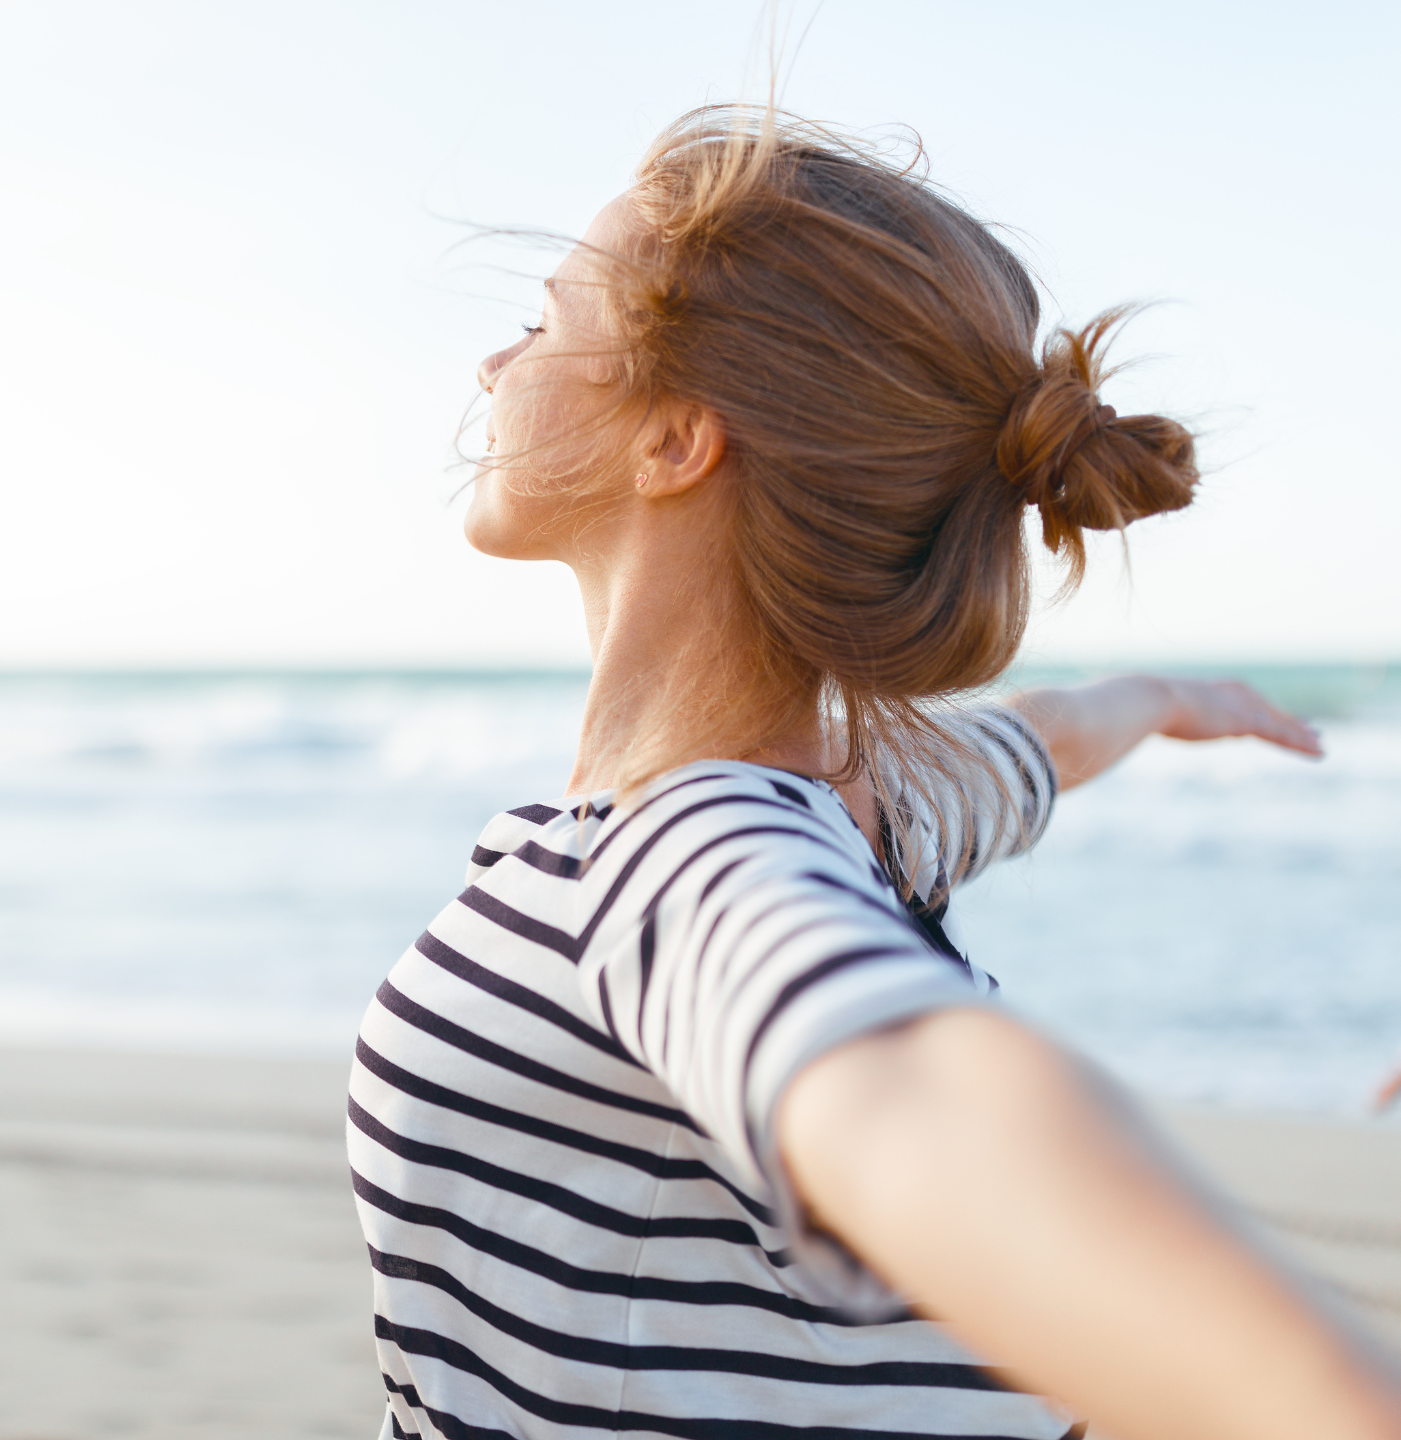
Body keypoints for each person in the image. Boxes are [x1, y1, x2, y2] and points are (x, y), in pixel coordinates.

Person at [350, 105, 1390, 1440]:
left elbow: (912, 1098)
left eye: (547, 324)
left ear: (676, 439)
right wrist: (1167, 699)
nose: (498, 361)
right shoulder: (864, 805)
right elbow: (1040, 742)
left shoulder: (691, 854)